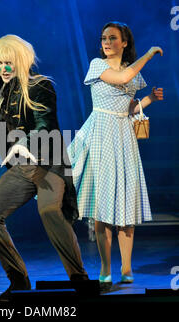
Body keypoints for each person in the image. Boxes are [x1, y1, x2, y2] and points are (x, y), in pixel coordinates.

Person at [0, 34, 89, 300]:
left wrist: (25, 142)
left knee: (50, 210)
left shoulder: (40, 86)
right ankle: (18, 279)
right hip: (21, 168)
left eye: (9, 63)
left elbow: (45, 124)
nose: (3, 69)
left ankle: (79, 278)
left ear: (21, 61)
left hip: (48, 164)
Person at [67, 21, 163, 286]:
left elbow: (130, 107)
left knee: (125, 206)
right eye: (103, 38)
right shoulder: (98, 65)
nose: (106, 42)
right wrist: (150, 52)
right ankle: (106, 268)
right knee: (102, 207)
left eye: (112, 38)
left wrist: (149, 101)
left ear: (124, 42)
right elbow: (122, 79)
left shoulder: (130, 72)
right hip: (101, 134)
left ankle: (127, 268)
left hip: (123, 136)